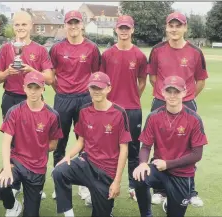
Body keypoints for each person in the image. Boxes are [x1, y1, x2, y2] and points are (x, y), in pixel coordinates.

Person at [147, 12, 208, 207]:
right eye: (171, 26)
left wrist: (185, 98)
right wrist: (165, 97)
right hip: (160, 101)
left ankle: (189, 190)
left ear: (185, 28)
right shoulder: (157, 50)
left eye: (178, 25)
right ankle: (159, 190)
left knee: (189, 147)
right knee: (159, 144)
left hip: (187, 102)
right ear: (166, 28)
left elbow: (200, 81)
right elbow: (153, 78)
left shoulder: (195, 52)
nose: (174, 29)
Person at [52, 72, 131, 217]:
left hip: (106, 172)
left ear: (108, 88)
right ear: (88, 89)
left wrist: (117, 181)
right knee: (58, 171)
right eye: (93, 88)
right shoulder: (84, 110)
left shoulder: (119, 113)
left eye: (100, 88)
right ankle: (68, 214)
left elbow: (124, 149)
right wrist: (68, 156)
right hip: (86, 163)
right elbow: (81, 141)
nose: (96, 91)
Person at [0, 10, 54, 199]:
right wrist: (7, 72)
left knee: (34, 140)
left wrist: (31, 69)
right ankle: (15, 181)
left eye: (24, 24)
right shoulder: (6, 49)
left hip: (34, 99)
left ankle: (34, 180)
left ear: (31, 26)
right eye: (17, 25)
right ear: (13, 27)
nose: (20, 28)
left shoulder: (39, 49)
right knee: (12, 141)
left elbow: (50, 78)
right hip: (11, 98)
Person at [133, 75, 208, 217]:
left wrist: (168, 164)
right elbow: (145, 146)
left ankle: (171, 202)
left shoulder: (194, 119)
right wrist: (143, 163)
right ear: (162, 92)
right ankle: (146, 214)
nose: (172, 95)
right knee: (139, 176)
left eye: (177, 91)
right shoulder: (154, 116)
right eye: (169, 91)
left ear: (184, 93)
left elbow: (197, 154)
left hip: (181, 173)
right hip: (159, 169)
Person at [47, 10, 101, 200]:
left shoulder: (92, 48)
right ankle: (59, 181)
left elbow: (95, 75)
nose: (73, 26)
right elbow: (52, 76)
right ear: (65, 25)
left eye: (76, 22)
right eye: (70, 23)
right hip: (62, 98)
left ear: (82, 24)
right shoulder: (56, 48)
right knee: (59, 141)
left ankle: (84, 184)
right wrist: (62, 91)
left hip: (85, 99)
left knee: (85, 141)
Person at [0, 71, 63, 217]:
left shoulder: (52, 115)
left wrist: (37, 146)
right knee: (1, 185)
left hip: (37, 168)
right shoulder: (14, 111)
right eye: (30, 87)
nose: (33, 91)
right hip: (17, 162)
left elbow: (54, 144)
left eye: (37, 87)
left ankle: (29, 200)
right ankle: (13, 206)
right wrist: (7, 168)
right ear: (24, 87)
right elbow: (6, 142)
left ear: (43, 88)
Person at [99, 15, 147, 202]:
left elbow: (142, 81)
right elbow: (101, 81)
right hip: (111, 110)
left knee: (134, 149)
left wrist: (134, 96)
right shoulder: (108, 54)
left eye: (127, 28)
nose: (124, 31)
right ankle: (105, 183)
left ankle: (133, 185)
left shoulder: (140, 56)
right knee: (109, 149)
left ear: (132, 30)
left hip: (133, 109)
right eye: (121, 28)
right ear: (116, 30)